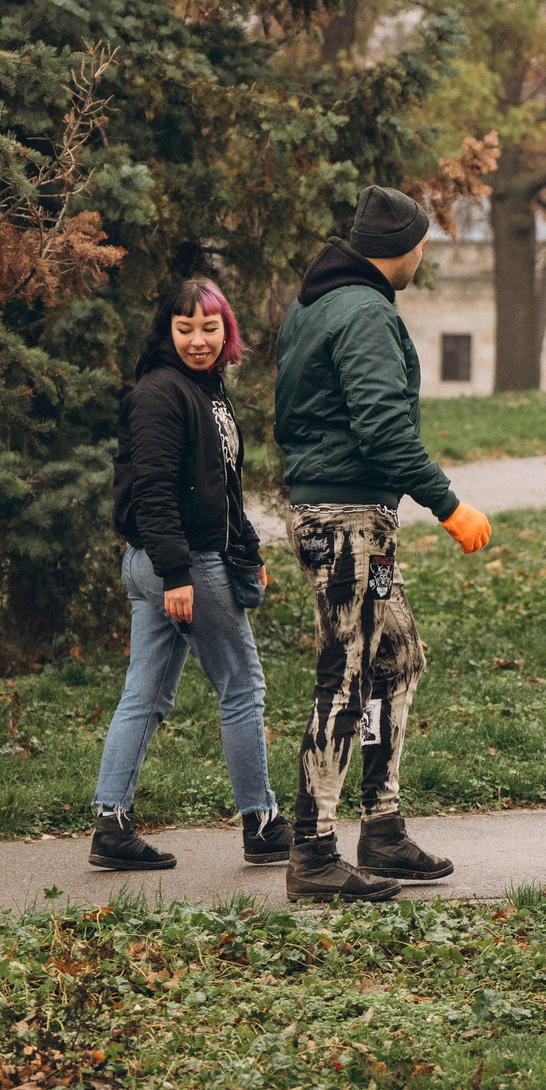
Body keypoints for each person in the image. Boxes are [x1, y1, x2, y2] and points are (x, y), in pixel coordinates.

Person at [271, 185, 493, 902]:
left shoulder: (318, 304)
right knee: (344, 672)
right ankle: (312, 851)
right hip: (345, 524)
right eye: (423, 243)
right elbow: (383, 430)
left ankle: (383, 828)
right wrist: (449, 504)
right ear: (401, 247)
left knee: (394, 658)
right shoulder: (363, 312)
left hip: (354, 520)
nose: (425, 255)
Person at [88, 276, 291, 872]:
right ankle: (262, 822)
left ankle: (111, 825)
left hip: (175, 561)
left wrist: (249, 548)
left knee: (145, 694)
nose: (199, 340)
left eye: (210, 328)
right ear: (166, 332)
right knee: (242, 685)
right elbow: (152, 492)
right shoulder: (160, 394)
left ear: (226, 331)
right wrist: (178, 574)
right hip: (180, 563)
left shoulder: (209, 391)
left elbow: (221, 487)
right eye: (185, 329)